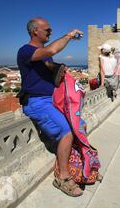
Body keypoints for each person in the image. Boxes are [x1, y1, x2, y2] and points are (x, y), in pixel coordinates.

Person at [17, 17, 84, 197]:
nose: (50, 32)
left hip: (52, 99)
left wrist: (58, 68)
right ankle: (62, 177)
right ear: (35, 32)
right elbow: (52, 49)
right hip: (37, 102)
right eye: (47, 30)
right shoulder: (26, 51)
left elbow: (49, 64)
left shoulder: (44, 55)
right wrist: (68, 36)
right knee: (66, 132)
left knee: (80, 125)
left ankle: (81, 167)